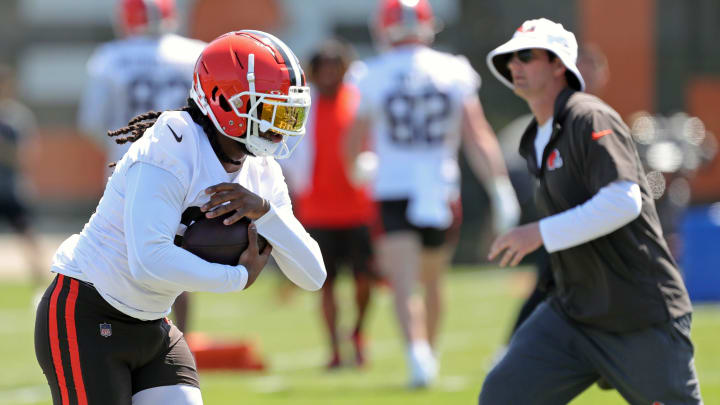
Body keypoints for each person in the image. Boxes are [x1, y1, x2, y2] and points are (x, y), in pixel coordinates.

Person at [35, 30, 326, 405]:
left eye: (288, 112)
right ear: (223, 100)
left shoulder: (261, 170)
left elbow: (314, 275)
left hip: (152, 324)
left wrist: (265, 213)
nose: (280, 125)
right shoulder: (170, 146)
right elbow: (148, 260)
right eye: (270, 109)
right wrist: (237, 278)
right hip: (87, 311)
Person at [480, 18, 702, 404]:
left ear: (558, 65)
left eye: (526, 56)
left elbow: (624, 200)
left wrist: (538, 232)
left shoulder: (589, 117)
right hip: (574, 314)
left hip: (638, 316)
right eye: (510, 58)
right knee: (502, 396)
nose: (515, 65)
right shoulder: (537, 135)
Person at [345, 0, 519, 388]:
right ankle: (430, 353)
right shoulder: (452, 69)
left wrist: (356, 165)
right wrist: (499, 186)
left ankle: (416, 355)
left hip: (393, 187)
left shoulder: (371, 73)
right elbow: (479, 135)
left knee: (404, 283)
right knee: (434, 279)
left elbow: (353, 137)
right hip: (441, 187)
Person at [77, 0, 206, 332]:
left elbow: (92, 122)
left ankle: (122, 334)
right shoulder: (195, 53)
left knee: (121, 257)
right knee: (177, 256)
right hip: (183, 171)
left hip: (128, 170)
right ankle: (181, 338)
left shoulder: (109, 58)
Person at [280, 39, 377, 370]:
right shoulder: (300, 106)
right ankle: (335, 349)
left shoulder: (359, 100)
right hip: (318, 209)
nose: (329, 74)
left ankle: (358, 334)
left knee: (365, 281)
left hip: (359, 207)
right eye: (323, 68)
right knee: (326, 283)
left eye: (335, 68)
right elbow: (283, 149)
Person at [0, 65, 45, 290]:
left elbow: (26, 155)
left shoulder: (16, 118)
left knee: (27, 235)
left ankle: (40, 284)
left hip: (10, 187)